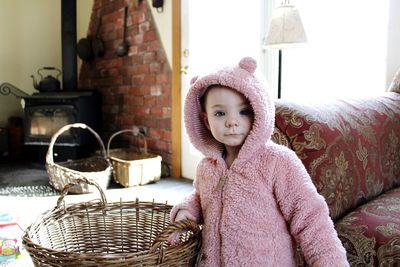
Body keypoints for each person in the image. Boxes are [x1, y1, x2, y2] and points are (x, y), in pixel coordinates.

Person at [170, 57, 349, 266]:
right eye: (220, 113)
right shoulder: (207, 167)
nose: (231, 121)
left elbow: (311, 218)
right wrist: (187, 210)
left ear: (259, 111)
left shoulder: (278, 162)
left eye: (244, 111)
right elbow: (203, 198)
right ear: (205, 121)